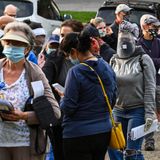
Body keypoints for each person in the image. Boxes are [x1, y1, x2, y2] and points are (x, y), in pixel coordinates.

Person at [0, 21, 60, 160]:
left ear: (27, 49)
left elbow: (54, 112)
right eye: (8, 42)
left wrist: (24, 116)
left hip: (25, 144)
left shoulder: (35, 73)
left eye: (17, 44)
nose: (11, 47)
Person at [58, 31, 117, 160]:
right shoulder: (106, 66)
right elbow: (112, 99)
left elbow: (68, 107)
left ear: (74, 51)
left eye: (68, 55)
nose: (69, 58)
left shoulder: (75, 71)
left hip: (77, 133)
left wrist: (63, 97)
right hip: (103, 130)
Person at [108, 30, 156, 160]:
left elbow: (150, 87)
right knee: (116, 149)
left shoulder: (143, 59)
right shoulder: (114, 60)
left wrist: (149, 113)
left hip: (137, 110)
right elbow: (109, 86)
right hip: (117, 110)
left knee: (131, 152)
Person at [42, 19, 84, 160]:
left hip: (83, 116)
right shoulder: (54, 57)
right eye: (61, 35)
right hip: (60, 116)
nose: (62, 39)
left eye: (67, 35)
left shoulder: (86, 57)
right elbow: (44, 82)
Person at [137, 14, 160, 151]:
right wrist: (154, 61)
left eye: (157, 27)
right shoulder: (137, 44)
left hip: (158, 82)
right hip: (143, 84)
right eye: (153, 26)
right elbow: (139, 62)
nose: (156, 29)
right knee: (149, 112)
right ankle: (149, 140)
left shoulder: (158, 42)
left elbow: (146, 61)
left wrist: (150, 61)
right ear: (144, 26)